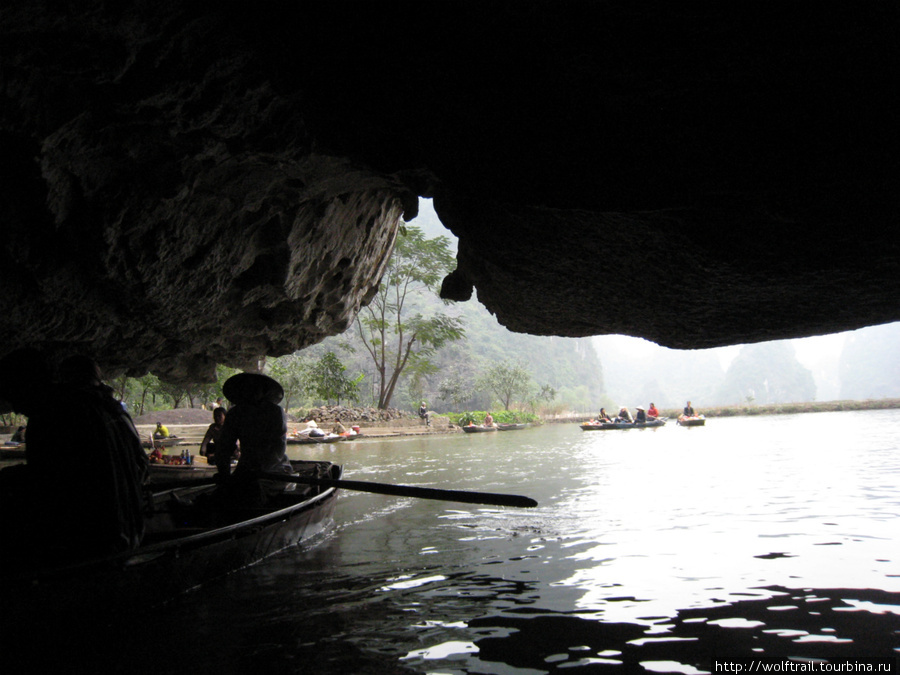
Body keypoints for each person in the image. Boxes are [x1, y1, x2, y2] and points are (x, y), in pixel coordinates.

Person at [0, 350, 148, 559]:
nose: (14, 408)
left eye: (14, 395)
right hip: (131, 529)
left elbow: (53, 484)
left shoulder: (52, 415)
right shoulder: (112, 409)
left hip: (94, 540)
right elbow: (141, 467)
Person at [215, 372, 294, 508]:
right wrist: (224, 475)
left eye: (256, 388)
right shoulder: (235, 414)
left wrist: (256, 473)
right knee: (223, 494)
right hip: (245, 470)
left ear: (264, 392)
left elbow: (276, 449)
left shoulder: (274, 412)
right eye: (248, 388)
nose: (252, 391)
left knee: (254, 491)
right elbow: (224, 447)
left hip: (275, 469)